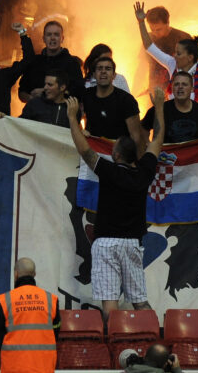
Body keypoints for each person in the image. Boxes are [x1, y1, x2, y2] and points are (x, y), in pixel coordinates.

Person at [66, 88, 165, 315]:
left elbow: (84, 150)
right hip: (132, 243)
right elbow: (157, 139)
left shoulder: (109, 171)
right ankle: (153, 334)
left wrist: (72, 118)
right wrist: (159, 106)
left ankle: (114, 337)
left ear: (117, 155)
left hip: (106, 243)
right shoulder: (144, 172)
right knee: (140, 301)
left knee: (110, 305)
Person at [135, 3, 198, 102]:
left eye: (159, 29)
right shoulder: (149, 39)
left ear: (167, 22)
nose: (155, 33)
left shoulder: (182, 37)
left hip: (182, 92)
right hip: (156, 91)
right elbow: (142, 65)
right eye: (152, 29)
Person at [0, 257, 60, 373]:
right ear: (34, 274)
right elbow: (56, 330)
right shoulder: (51, 299)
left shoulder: (3, 300)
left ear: (16, 274)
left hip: (14, 366)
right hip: (43, 366)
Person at [140, 72, 198, 143]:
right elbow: (142, 129)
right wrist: (149, 148)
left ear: (192, 89)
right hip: (166, 153)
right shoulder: (158, 109)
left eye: (184, 84)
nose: (180, 87)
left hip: (194, 153)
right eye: (176, 84)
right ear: (172, 88)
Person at [17, 21, 83, 102]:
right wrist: (31, 99)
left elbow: (79, 92)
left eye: (56, 34)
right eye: (49, 35)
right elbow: (22, 91)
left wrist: (47, 92)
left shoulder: (72, 63)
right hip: (37, 109)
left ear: (62, 39)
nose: (52, 38)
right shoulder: (34, 62)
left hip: (61, 109)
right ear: (44, 39)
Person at [82, 56, 141, 142]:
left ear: (114, 75)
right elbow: (75, 117)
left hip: (118, 149)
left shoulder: (127, 100)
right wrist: (82, 131)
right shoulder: (87, 95)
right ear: (94, 74)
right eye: (99, 68)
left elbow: (136, 137)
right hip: (93, 147)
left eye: (108, 69)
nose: (103, 71)